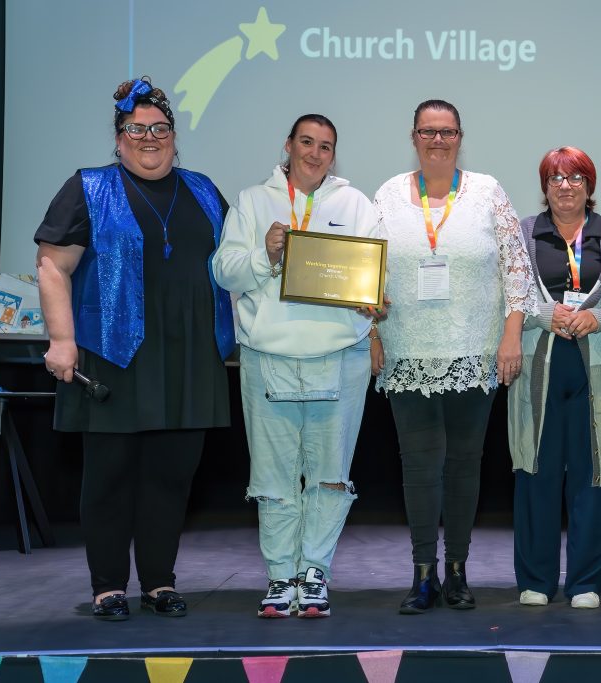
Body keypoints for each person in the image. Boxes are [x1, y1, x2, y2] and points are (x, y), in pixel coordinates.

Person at [35, 77, 234, 620]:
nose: (150, 138)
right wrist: (61, 339)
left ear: (175, 135)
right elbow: (53, 265)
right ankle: (107, 586)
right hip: (113, 356)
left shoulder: (203, 190)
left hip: (190, 357)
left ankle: (159, 582)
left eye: (160, 128)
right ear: (119, 138)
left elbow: (233, 268)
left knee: (172, 476)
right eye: (136, 129)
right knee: (110, 477)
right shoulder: (89, 187)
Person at [372, 99, 536, 614]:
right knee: (419, 468)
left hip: (474, 350)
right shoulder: (388, 194)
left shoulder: (487, 191)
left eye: (446, 132)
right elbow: (368, 268)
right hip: (408, 350)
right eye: (428, 131)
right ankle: (423, 573)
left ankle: (458, 572)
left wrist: (511, 336)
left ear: (460, 137)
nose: (437, 140)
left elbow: (517, 268)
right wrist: (373, 329)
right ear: (414, 136)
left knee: (465, 466)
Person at [212, 114, 376, 619]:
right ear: (288, 145)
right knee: (275, 475)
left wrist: (373, 300)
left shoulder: (355, 205)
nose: (314, 153)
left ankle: (315, 574)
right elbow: (222, 270)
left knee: (330, 475)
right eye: (306, 142)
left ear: (334, 154)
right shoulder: (253, 201)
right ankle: (280, 576)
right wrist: (264, 252)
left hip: (339, 358)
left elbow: (371, 274)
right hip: (268, 358)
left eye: (325, 146)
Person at [508, 147, 601, 610]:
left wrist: (600, 317)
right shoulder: (522, 234)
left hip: (596, 369)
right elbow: (509, 291)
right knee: (535, 470)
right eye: (556, 178)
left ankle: (586, 582)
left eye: (576, 177)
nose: (566, 186)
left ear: (590, 185)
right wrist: (541, 313)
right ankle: (535, 578)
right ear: (544, 186)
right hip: (538, 367)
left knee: (594, 473)